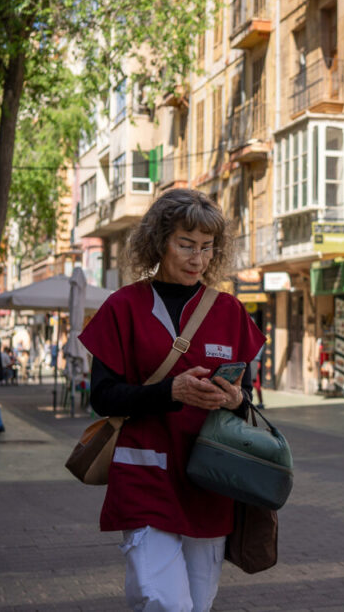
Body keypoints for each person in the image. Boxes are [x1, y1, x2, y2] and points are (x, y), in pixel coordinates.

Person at [79, 189, 265, 612]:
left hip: (210, 479)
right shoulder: (122, 307)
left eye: (206, 247)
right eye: (186, 244)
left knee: (199, 603)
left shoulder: (230, 312)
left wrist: (234, 397)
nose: (197, 258)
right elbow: (103, 398)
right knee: (163, 601)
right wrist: (170, 391)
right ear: (160, 241)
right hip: (146, 473)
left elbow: (247, 399)